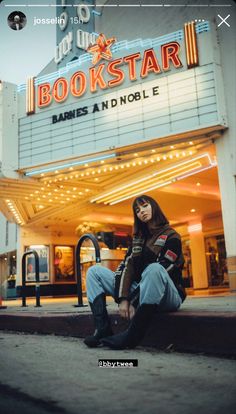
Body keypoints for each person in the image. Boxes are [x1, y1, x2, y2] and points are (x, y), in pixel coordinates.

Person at [84, 195, 186, 350]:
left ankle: (132, 335)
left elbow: (165, 270)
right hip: (141, 292)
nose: (142, 212)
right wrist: (123, 298)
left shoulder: (172, 236)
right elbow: (126, 267)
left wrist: (132, 301)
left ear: (154, 206)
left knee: (154, 269)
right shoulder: (138, 239)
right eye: (138, 210)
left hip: (168, 296)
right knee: (94, 272)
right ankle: (102, 328)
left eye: (145, 206)